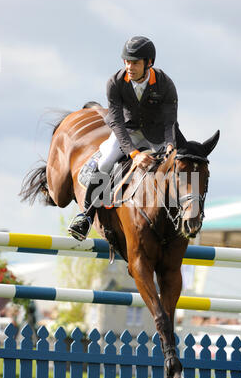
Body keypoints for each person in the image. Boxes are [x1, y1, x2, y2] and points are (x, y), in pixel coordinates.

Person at [68, 35, 185, 241]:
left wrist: (169, 146)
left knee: (179, 167)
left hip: (157, 134)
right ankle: (86, 216)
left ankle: (186, 217)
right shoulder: (115, 82)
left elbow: (170, 123)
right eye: (127, 61)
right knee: (104, 162)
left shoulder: (165, 84)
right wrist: (134, 153)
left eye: (135, 62)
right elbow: (116, 122)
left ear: (149, 63)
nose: (129, 67)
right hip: (127, 131)